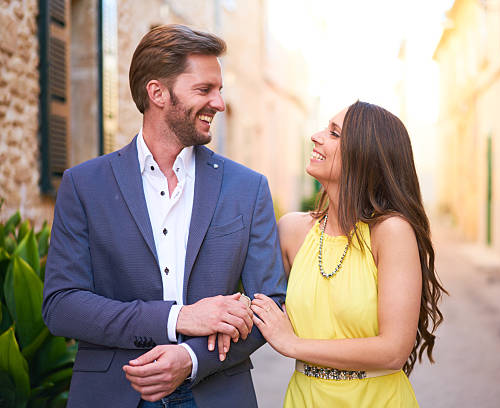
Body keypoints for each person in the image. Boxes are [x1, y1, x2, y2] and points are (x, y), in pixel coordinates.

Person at [42, 24, 286, 408]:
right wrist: (177, 319)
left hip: (216, 390)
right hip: (114, 393)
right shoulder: (83, 185)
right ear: (157, 93)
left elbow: (270, 304)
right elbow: (61, 306)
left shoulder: (248, 187)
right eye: (205, 90)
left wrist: (190, 359)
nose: (219, 103)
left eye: (219, 90)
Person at [249, 101, 446, 407]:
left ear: (364, 155)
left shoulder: (391, 232)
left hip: (375, 400)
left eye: (334, 133)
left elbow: (394, 351)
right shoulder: (291, 231)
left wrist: (294, 344)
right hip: (305, 398)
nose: (316, 136)